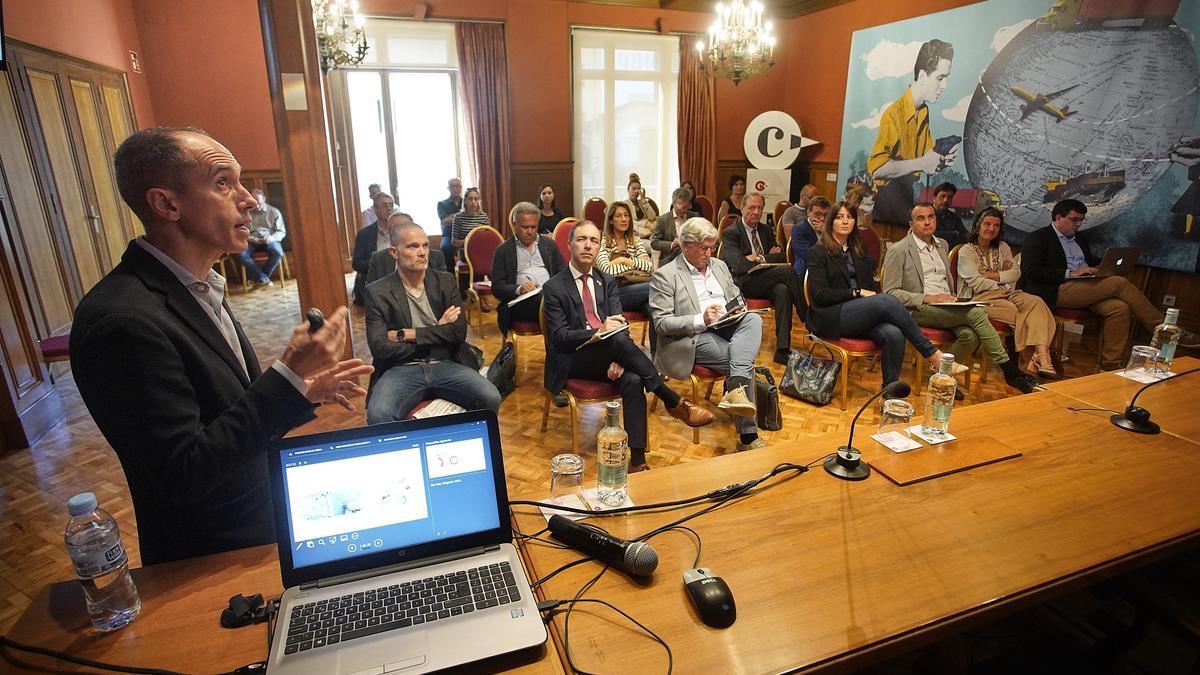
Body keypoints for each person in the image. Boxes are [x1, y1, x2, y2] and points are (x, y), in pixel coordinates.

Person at [71, 126, 371, 565]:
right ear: (167, 204)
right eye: (222, 182)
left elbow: (227, 417)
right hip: (209, 557)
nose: (248, 198)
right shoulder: (122, 322)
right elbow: (183, 473)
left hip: (259, 525)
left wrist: (301, 392)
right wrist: (286, 375)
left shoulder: (198, 287)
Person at [543, 220, 713, 471]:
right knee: (617, 341)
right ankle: (671, 399)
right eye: (581, 240)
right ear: (569, 245)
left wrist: (618, 356)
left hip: (611, 352)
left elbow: (620, 327)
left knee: (633, 378)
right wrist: (597, 331)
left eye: (593, 240)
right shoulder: (555, 286)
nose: (588, 245)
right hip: (573, 360)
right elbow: (559, 338)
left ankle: (637, 461)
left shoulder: (606, 280)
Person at [882, 202, 1038, 395]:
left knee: (970, 336)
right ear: (910, 223)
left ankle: (942, 380)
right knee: (976, 313)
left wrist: (950, 299)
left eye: (931, 217)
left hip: (947, 305)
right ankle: (1009, 370)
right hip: (917, 309)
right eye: (920, 218)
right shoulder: (899, 250)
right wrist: (929, 297)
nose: (927, 222)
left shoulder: (942, 245)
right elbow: (890, 293)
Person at [1019, 199, 1195, 369]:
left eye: (1081, 220)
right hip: (1054, 289)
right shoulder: (1038, 238)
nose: (1078, 224)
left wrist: (1102, 267)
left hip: (1083, 286)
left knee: (1119, 308)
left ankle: (1109, 364)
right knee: (1118, 283)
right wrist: (1071, 273)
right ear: (1058, 218)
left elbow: (1087, 261)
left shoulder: (1079, 238)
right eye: (1074, 220)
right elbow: (1031, 271)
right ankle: (1163, 329)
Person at [806, 201, 957, 388]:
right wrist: (856, 293)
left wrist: (867, 296)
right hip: (830, 315)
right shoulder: (818, 252)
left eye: (850, 217)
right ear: (831, 223)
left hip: (859, 315)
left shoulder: (858, 250)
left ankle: (888, 393)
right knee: (886, 300)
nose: (845, 221)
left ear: (855, 222)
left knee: (894, 334)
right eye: (839, 217)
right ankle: (932, 353)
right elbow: (820, 295)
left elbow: (870, 286)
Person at [364, 221, 500, 423]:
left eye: (425, 245)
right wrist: (437, 332)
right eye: (413, 246)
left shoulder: (445, 282)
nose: (422, 252)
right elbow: (380, 348)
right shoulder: (377, 292)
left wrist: (406, 335)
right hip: (401, 368)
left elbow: (458, 333)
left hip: (445, 362)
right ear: (394, 252)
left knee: (491, 397)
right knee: (379, 415)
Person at [649, 218, 765, 453]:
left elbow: (736, 295)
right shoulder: (666, 275)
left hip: (727, 324)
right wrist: (701, 319)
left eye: (712, 246)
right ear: (686, 245)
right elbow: (662, 323)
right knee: (742, 363)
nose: (709, 253)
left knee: (754, 318)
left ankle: (736, 393)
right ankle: (748, 436)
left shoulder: (719, 266)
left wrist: (738, 308)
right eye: (704, 248)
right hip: (692, 336)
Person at [957, 208, 1057, 377]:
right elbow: (975, 282)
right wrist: (1002, 279)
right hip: (977, 298)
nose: (991, 229)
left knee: (1036, 302)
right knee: (1017, 312)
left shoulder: (1003, 247)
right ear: (978, 226)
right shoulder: (966, 251)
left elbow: (1016, 273)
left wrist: (990, 274)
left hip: (1007, 292)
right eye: (987, 224)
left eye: (996, 225)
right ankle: (1035, 360)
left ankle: (1040, 355)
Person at [868, 39, 958, 227]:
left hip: (907, 197)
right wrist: (922, 163)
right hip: (888, 203)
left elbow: (924, 160)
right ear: (923, 76)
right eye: (940, 78)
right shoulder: (893, 114)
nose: (945, 86)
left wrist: (939, 160)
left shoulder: (923, 111)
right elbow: (877, 169)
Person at [719, 192, 805, 365]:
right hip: (743, 283)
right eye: (751, 208)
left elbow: (782, 256)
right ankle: (808, 317)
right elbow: (740, 266)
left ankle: (782, 350)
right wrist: (764, 257)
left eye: (759, 208)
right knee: (787, 272)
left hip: (766, 278)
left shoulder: (765, 230)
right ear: (742, 208)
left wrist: (758, 257)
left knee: (783, 290)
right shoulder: (731, 233)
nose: (756, 212)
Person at [491, 201, 566, 337]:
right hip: (521, 303)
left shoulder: (549, 245)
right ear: (514, 225)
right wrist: (520, 289)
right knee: (551, 302)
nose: (530, 231)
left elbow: (563, 274)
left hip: (551, 296)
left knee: (556, 299)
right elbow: (497, 288)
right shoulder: (503, 250)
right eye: (525, 227)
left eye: (534, 227)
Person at [597, 201, 654, 315]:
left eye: (626, 215)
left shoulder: (635, 241)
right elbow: (606, 270)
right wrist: (636, 267)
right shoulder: (603, 242)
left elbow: (650, 267)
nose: (624, 219)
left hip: (638, 288)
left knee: (653, 310)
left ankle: (661, 333)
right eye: (618, 216)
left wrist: (623, 260)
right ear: (611, 220)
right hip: (615, 292)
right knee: (656, 286)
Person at [365, 213, 446, 286]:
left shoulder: (435, 257)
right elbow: (370, 292)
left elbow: (444, 287)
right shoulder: (378, 258)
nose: (402, 232)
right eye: (396, 230)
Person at [352, 192, 397, 306]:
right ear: (375, 210)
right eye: (384, 205)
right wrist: (379, 261)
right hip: (375, 279)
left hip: (400, 278)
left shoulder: (402, 232)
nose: (389, 209)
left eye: (391, 205)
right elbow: (356, 264)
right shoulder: (365, 234)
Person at [235, 188, 286, 288]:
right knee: (241, 254)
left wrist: (270, 238)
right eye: (254, 202)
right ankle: (263, 278)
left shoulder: (274, 212)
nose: (256, 206)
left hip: (270, 240)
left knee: (277, 252)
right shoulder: (246, 213)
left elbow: (281, 231)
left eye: (258, 202)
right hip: (252, 241)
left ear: (264, 199)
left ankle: (261, 278)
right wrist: (252, 239)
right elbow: (242, 232)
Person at [651, 187, 699, 266]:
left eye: (686, 207)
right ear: (673, 203)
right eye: (680, 207)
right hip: (670, 259)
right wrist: (672, 244)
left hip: (692, 257)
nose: (683, 210)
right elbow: (654, 243)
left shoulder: (694, 217)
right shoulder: (663, 220)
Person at [790, 196, 830, 282]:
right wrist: (824, 234)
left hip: (828, 270)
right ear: (808, 212)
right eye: (818, 214)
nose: (822, 219)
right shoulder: (799, 230)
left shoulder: (831, 229)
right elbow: (811, 255)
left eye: (826, 215)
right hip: (806, 272)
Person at [437, 178, 463, 273]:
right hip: (449, 234)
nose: (455, 188)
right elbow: (445, 220)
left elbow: (472, 216)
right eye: (452, 186)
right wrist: (461, 215)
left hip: (464, 233)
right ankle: (451, 276)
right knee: (445, 247)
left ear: (460, 187)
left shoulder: (466, 202)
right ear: (448, 188)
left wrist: (452, 215)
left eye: (457, 186)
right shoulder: (442, 204)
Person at [932, 182, 967, 247]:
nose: (946, 200)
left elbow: (965, 236)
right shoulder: (924, 214)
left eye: (949, 197)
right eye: (942, 196)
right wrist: (954, 233)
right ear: (934, 198)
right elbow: (927, 235)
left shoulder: (954, 217)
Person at [626, 172, 657, 240]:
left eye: (638, 189)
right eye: (633, 189)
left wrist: (643, 200)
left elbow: (652, 217)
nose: (636, 191)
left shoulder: (642, 202)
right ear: (628, 190)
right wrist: (645, 224)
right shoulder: (625, 204)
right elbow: (629, 221)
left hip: (649, 230)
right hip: (637, 231)